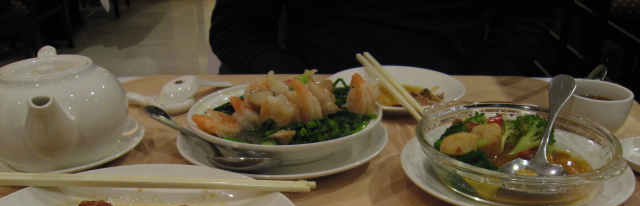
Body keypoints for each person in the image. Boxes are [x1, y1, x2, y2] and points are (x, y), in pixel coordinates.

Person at [209, 0, 559, 76]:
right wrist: (305, 91)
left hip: (455, 97)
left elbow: (526, 19)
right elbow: (235, 28)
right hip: (319, 94)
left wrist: (478, 88)